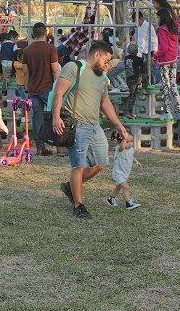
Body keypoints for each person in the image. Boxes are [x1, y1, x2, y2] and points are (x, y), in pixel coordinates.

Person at [52, 40, 132, 219]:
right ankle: (78, 205)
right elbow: (59, 93)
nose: (107, 64)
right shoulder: (73, 68)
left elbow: (105, 103)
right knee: (78, 165)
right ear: (97, 54)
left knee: (101, 162)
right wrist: (56, 117)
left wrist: (119, 125)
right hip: (76, 124)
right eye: (106, 59)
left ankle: (71, 186)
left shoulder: (102, 77)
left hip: (94, 125)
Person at [154, 0, 180, 144]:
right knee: (173, 85)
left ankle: (167, 112)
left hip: (165, 60)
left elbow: (162, 47)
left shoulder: (162, 29)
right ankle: (179, 111)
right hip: (174, 58)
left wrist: (154, 56)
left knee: (165, 86)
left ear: (161, 18)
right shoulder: (174, 26)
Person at [24, 22, 61, 156]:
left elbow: (25, 72)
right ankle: (59, 145)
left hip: (33, 88)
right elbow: (55, 69)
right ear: (46, 33)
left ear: (33, 34)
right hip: (48, 88)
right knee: (56, 114)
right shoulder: (51, 48)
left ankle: (40, 147)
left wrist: (27, 88)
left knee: (37, 118)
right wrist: (59, 87)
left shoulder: (27, 50)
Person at [107, 132, 141, 210]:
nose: (130, 144)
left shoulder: (131, 149)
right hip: (118, 173)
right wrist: (124, 139)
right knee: (126, 187)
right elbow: (122, 147)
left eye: (131, 141)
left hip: (125, 173)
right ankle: (128, 203)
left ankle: (111, 199)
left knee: (118, 187)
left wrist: (136, 161)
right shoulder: (119, 148)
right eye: (127, 142)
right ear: (121, 142)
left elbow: (131, 156)